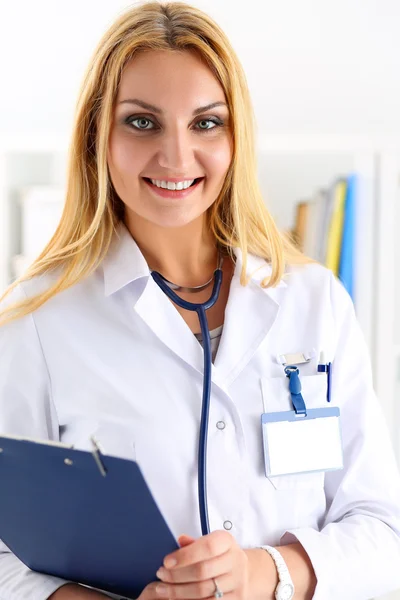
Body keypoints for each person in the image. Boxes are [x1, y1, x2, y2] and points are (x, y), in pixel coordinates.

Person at [1, 1, 400, 599]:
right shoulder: (36, 320)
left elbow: (383, 533)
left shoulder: (313, 303)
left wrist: (263, 573)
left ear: (236, 135)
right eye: (141, 122)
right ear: (97, 134)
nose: (176, 156)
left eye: (205, 123)